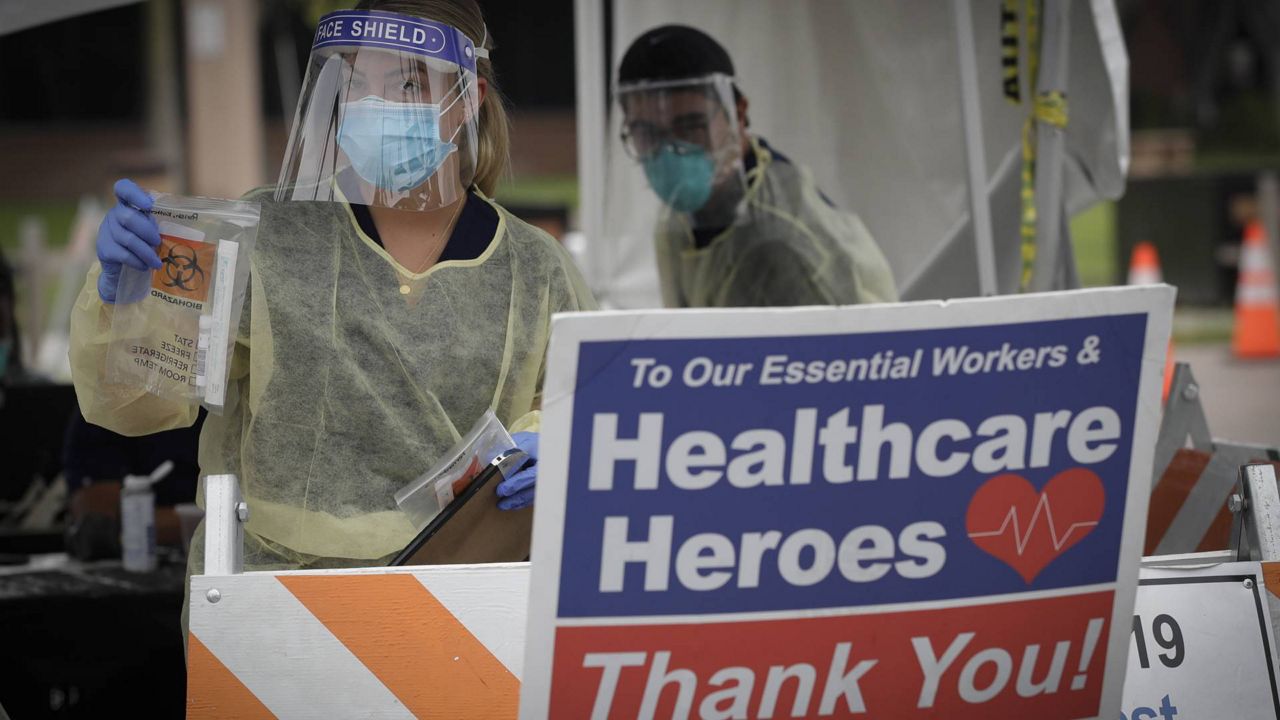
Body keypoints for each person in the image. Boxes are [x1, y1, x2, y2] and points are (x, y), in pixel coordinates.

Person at [69, 0, 594, 586]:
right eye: (357, 82)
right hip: (276, 604)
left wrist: (557, 446)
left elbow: (586, 409)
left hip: (466, 602)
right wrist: (128, 300)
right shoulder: (266, 233)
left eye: (406, 82)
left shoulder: (535, 268)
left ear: (467, 99)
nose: (375, 107)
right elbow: (138, 402)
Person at [617, 25, 898, 308]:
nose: (670, 152)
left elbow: (841, 350)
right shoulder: (681, 216)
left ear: (738, 114)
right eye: (647, 132)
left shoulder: (782, 245)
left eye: (691, 126)